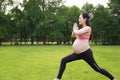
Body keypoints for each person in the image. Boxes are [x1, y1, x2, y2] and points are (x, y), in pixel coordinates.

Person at [53, 12, 115, 80]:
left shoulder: (88, 28)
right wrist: (74, 30)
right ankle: (58, 78)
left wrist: (75, 29)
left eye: (80, 18)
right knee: (64, 60)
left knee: (97, 69)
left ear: (85, 19)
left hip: (86, 53)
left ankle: (112, 78)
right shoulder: (81, 29)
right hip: (77, 54)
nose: (79, 19)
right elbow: (73, 35)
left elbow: (78, 32)